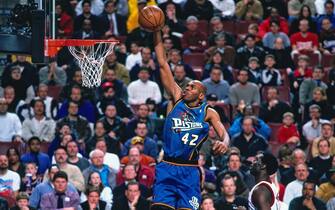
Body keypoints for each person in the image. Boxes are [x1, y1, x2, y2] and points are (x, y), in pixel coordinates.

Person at [152, 26, 229, 210]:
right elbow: (162, 62)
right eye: (187, 86)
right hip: (167, 168)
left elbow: (224, 134)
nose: (187, 88)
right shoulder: (177, 99)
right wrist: (156, 31)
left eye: (192, 87)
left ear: (201, 95)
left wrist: (224, 143)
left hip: (190, 172)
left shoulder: (208, 112)